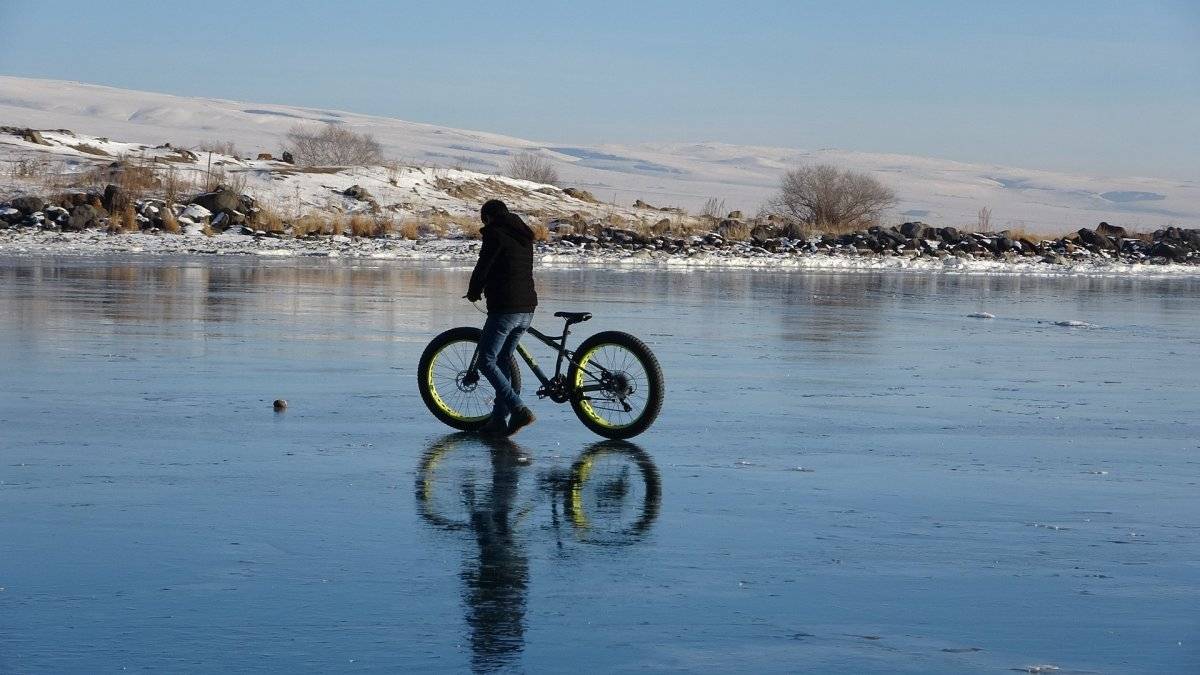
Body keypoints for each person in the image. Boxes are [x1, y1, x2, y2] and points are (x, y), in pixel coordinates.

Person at [466, 199, 538, 436]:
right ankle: (498, 420)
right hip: (527, 309)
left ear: (488, 218)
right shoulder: (523, 236)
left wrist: (474, 291)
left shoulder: (495, 234)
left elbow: (483, 266)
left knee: (486, 361)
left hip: (505, 308)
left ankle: (518, 408)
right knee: (503, 359)